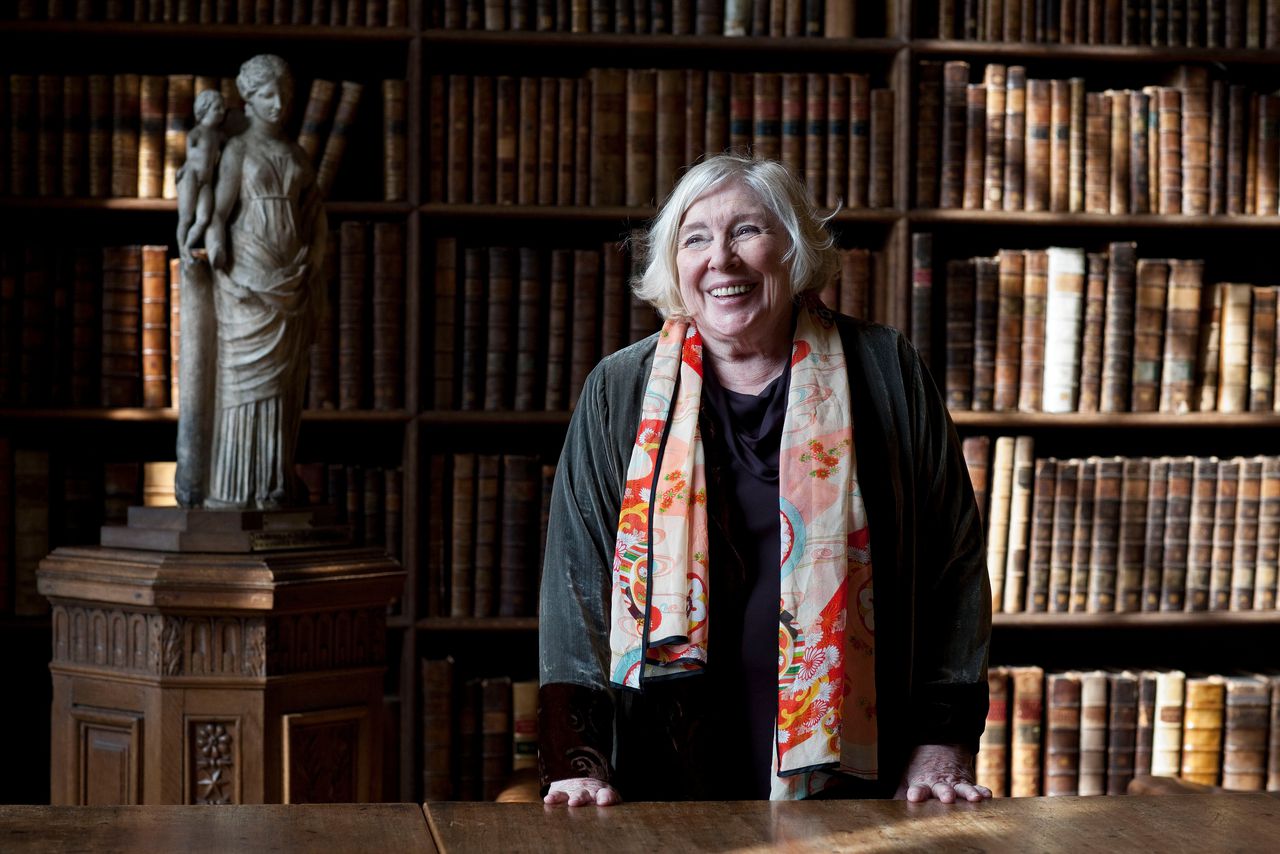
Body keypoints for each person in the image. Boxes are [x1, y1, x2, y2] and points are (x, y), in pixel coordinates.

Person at [537, 154, 991, 805]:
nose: (721, 259)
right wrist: (578, 760)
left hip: (862, 761)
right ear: (675, 266)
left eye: (747, 231)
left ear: (794, 249)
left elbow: (954, 566)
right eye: (696, 238)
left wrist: (942, 743)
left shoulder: (886, 370)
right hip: (663, 750)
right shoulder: (621, 389)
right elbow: (576, 581)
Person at [203, 54, 327, 509]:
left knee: (283, 388)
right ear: (248, 99)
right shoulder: (238, 151)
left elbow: (316, 219)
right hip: (248, 275)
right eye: (267, 95)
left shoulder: (297, 155)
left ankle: (273, 484)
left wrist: (313, 259)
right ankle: (236, 488)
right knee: (242, 385)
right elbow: (218, 213)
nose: (278, 104)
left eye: (284, 95)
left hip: (290, 279)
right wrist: (216, 255)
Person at [175, 88, 226, 263]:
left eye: (222, 108)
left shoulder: (219, 136)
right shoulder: (195, 133)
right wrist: (182, 172)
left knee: (203, 218)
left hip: (207, 181)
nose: (221, 113)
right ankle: (183, 250)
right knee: (187, 217)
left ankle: (188, 246)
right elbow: (190, 157)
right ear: (204, 110)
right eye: (216, 108)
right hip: (191, 176)